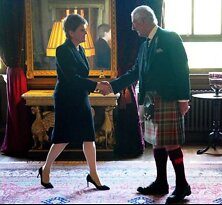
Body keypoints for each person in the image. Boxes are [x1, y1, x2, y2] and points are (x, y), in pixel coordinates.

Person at [98, 5, 191, 203]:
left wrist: (184, 100)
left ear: (144, 21)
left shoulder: (170, 38)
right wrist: (112, 86)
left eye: (134, 23)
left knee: (171, 142)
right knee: (156, 142)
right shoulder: (144, 45)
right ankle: (161, 182)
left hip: (168, 98)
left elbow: (182, 69)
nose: (133, 28)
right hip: (150, 101)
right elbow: (134, 72)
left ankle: (182, 185)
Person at [38, 14, 109, 190]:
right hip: (66, 99)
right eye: (82, 30)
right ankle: (45, 169)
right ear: (71, 32)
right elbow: (72, 78)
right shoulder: (62, 50)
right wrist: (96, 85)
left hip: (81, 97)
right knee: (62, 138)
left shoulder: (81, 50)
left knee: (89, 136)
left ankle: (93, 174)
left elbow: (82, 76)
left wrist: (97, 84)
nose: (85, 33)